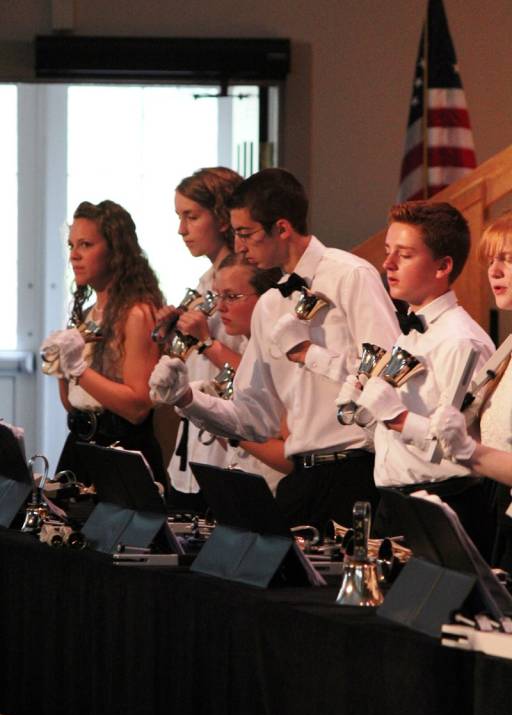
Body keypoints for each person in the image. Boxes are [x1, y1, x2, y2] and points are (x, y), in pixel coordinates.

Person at [149, 167, 399, 531]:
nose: (239, 247)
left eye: (246, 234)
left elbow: (389, 375)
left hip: (356, 473)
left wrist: (312, 355)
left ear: (282, 228)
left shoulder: (350, 276)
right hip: (301, 479)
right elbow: (252, 418)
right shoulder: (270, 304)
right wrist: (187, 399)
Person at [350, 201, 495, 557]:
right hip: (395, 502)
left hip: (442, 504)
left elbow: (460, 444)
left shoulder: (462, 341)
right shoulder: (411, 333)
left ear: (443, 266)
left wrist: (397, 418)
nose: (388, 264)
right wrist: (366, 412)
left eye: (404, 255)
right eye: (388, 251)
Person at [41, 199, 167, 488]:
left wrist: (77, 368)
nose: (74, 256)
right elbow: (74, 404)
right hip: (81, 446)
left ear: (115, 251)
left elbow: (137, 408)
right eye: (71, 245)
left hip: (121, 454)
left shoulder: (136, 314)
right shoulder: (87, 315)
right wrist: (60, 367)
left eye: (86, 245)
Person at [158, 167, 246, 513]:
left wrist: (206, 342)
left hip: (230, 443)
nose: (182, 230)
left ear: (222, 218)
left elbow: (255, 368)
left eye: (192, 217)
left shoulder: (247, 283)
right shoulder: (204, 282)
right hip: (194, 439)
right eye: (179, 217)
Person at [431, 211, 512, 568]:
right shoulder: (507, 348)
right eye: (491, 260)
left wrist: (468, 450)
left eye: (508, 259)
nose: (495, 271)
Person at [206, 252, 291, 491]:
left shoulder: (282, 358)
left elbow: (290, 458)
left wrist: (229, 427)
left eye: (232, 297)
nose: (220, 307)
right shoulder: (246, 348)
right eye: (218, 296)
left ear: (266, 298)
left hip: (279, 492)